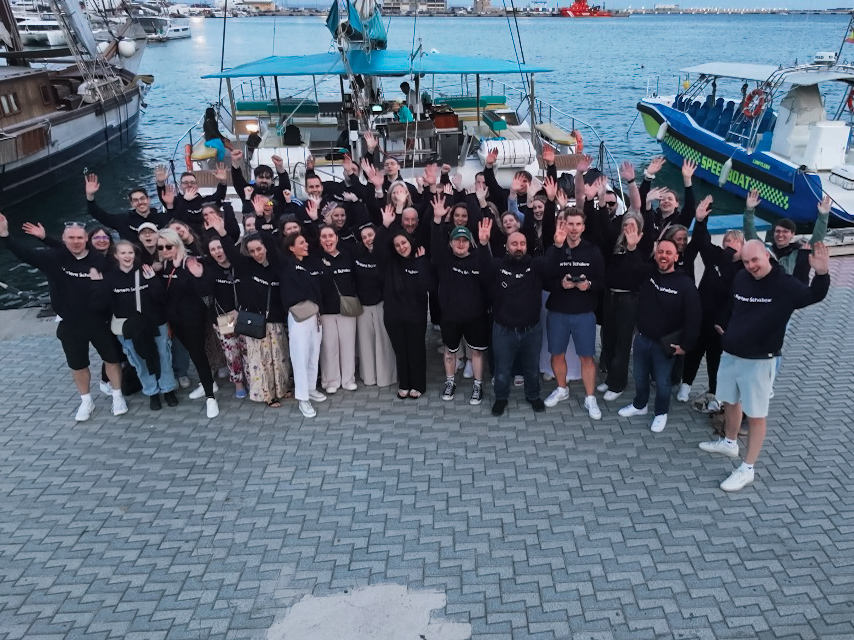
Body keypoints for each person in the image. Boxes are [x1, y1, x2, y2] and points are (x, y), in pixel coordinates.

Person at [698, 240, 830, 492]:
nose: (751, 266)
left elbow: (815, 295)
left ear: (767, 256)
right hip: (731, 353)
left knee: (757, 415)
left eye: (755, 260)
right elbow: (732, 303)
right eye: (746, 262)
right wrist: (722, 325)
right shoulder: (742, 278)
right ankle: (729, 442)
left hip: (759, 360)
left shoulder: (786, 285)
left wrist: (822, 273)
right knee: (730, 402)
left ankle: (747, 469)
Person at [0, 214, 127, 420]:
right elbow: (24, 254)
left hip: (99, 320)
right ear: (64, 239)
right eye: (71, 238)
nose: (76, 242)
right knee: (78, 364)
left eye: (79, 238)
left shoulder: (100, 260)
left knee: (111, 360)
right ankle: (86, 401)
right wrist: (5, 235)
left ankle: (117, 395)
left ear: (86, 239)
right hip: (70, 322)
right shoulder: (53, 258)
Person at [618, 237, 701, 433]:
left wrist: (686, 346)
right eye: (660, 252)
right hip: (642, 338)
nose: (663, 256)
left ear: (676, 257)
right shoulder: (648, 273)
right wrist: (631, 247)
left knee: (663, 382)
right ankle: (640, 405)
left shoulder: (685, 285)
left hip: (665, 344)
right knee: (639, 376)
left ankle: (661, 413)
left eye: (668, 253)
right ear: (655, 255)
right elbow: (631, 268)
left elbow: (694, 318)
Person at [207, 217, 291, 408]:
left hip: (275, 321)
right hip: (251, 321)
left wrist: (261, 218)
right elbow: (231, 251)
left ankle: (282, 387)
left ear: (266, 248)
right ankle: (267, 395)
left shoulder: (277, 266)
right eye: (252, 251)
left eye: (259, 249)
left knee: (280, 359)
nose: (256, 254)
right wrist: (222, 232)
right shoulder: (245, 266)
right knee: (259, 362)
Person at [481, 218, 555, 416]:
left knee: (531, 369)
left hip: (532, 330)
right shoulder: (497, 266)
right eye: (514, 244)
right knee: (502, 371)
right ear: (506, 247)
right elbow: (482, 271)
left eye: (522, 243)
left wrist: (557, 244)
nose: (519, 247)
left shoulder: (536, 266)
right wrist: (482, 244)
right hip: (504, 331)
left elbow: (552, 266)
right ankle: (501, 398)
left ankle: (533, 395)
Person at [678, 197, 744, 408]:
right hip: (702, 314)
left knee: (715, 360)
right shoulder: (715, 256)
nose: (729, 246)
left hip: (721, 323)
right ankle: (685, 385)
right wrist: (700, 220)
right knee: (694, 352)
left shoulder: (743, 270)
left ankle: (716, 393)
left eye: (735, 243)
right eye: (727, 242)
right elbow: (701, 240)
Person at [99, 241, 179, 411]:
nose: (127, 256)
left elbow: (160, 297)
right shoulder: (110, 278)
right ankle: (152, 392)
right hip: (128, 327)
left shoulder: (145, 271)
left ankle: (168, 389)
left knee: (163, 355)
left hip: (154, 321)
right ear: (116, 256)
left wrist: (152, 280)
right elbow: (104, 303)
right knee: (138, 360)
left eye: (130, 252)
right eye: (123, 253)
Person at [542, 208, 605, 420]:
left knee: (587, 357)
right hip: (558, 311)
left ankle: (590, 397)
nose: (574, 228)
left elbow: (602, 281)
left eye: (578, 224)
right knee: (556, 354)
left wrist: (589, 285)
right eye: (570, 224)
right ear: (564, 225)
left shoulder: (593, 250)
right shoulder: (555, 248)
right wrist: (560, 283)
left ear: (583, 227)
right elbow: (544, 278)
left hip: (584, 313)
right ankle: (562, 388)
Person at [431, 196, 492, 405]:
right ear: (451, 242)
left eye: (464, 240)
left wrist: (483, 245)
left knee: (476, 352)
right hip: (450, 316)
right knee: (450, 351)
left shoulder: (478, 258)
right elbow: (435, 243)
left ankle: (477, 384)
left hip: (475, 316)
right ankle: (450, 381)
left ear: (469, 243)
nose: (460, 243)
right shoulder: (445, 260)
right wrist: (438, 221)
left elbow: (488, 275)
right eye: (457, 239)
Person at [156, 228, 219, 418]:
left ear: (177, 244)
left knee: (198, 355)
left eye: (169, 246)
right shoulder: (164, 265)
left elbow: (206, 290)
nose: (165, 250)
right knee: (193, 354)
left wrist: (198, 276)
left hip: (193, 319)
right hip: (174, 321)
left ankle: (210, 398)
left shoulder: (190, 262)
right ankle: (209, 383)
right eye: (161, 247)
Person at [596, 211, 646, 402]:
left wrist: (633, 248)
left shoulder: (642, 246)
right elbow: (602, 224)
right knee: (608, 339)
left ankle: (618, 384)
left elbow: (638, 271)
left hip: (627, 301)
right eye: (626, 225)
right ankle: (610, 379)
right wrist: (599, 201)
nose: (628, 229)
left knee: (622, 344)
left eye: (632, 226)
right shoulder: (616, 245)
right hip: (610, 297)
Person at [280, 232, 326, 418]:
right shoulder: (287, 266)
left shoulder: (307, 264)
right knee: (300, 357)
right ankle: (302, 398)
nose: (306, 244)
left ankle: (310, 387)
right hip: (299, 317)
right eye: (301, 242)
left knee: (313, 354)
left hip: (314, 316)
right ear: (291, 247)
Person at [744, 190, 830, 284]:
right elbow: (750, 235)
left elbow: (818, 237)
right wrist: (749, 210)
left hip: (795, 293)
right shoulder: (766, 250)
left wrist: (823, 215)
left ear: (792, 234)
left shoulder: (800, 251)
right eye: (778, 231)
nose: (780, 235)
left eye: (785, 232)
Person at [382, 229, 430, 399]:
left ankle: (418, 384)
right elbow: (381, 245)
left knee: (416, 350)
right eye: (397, 245)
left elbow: (426, 284)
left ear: (410, 242)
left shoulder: (420, 260)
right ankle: (404, 383)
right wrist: (388, 225)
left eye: (404, 243)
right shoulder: (390, 263)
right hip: (394, 316)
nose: (401, 247)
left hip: (415, 316)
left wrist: (421, 261)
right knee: (401, 351)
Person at [354, 223, 397, 388]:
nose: (367, 240)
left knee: (384, 344)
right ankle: (369, 377)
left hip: (381, 304)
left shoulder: (385, 256)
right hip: (363, 307)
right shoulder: (358, 255)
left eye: (370, 235)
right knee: (366, 345)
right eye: (364, 237)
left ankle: (386, 377)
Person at [317, 225, 360, 394]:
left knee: (348, 345)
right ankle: (330, 380)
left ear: (337, 238)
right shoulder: (315, 259)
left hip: (347, 309)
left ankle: (348, 379)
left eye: (330, 236)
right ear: (320, 240)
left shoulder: (348, 256)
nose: (328, 240)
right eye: (324, 237)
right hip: (326, 311)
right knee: (329, 347)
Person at [204, 235, 247, 399]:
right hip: (224, 318)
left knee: (247, 351)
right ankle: (238, 384)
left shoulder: (239, 266)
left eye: (220, 247)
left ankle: (252, 381)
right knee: (232, 354)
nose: (217, 252)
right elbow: (206, 296)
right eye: (213, 249)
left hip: (243, 314)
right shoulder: (210, 271)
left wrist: (239, 310)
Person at [85, 174, 168, 241]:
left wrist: (160, 184)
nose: (140, 202)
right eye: (135, 200)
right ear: (131, 204)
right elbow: (99, 214)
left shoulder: (161, 218)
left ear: (148, 200)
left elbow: (174, 213)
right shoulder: (123, 220)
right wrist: (90, 195)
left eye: (142, 199)